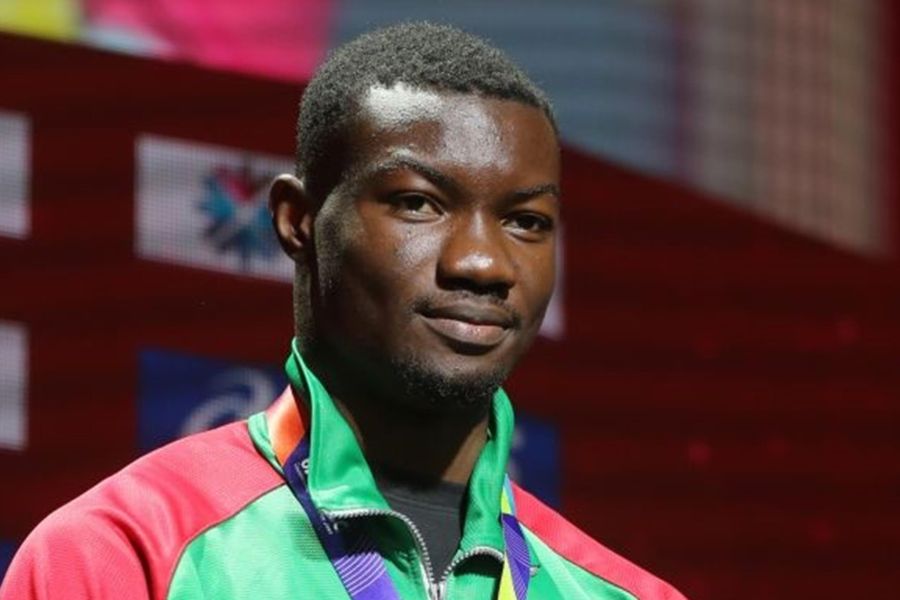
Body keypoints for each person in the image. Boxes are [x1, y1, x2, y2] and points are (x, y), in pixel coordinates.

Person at [1, 22, 685, 600]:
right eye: (419, 203)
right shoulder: (125, 555)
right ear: (298, 222)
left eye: (527, 221)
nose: (484, 263)